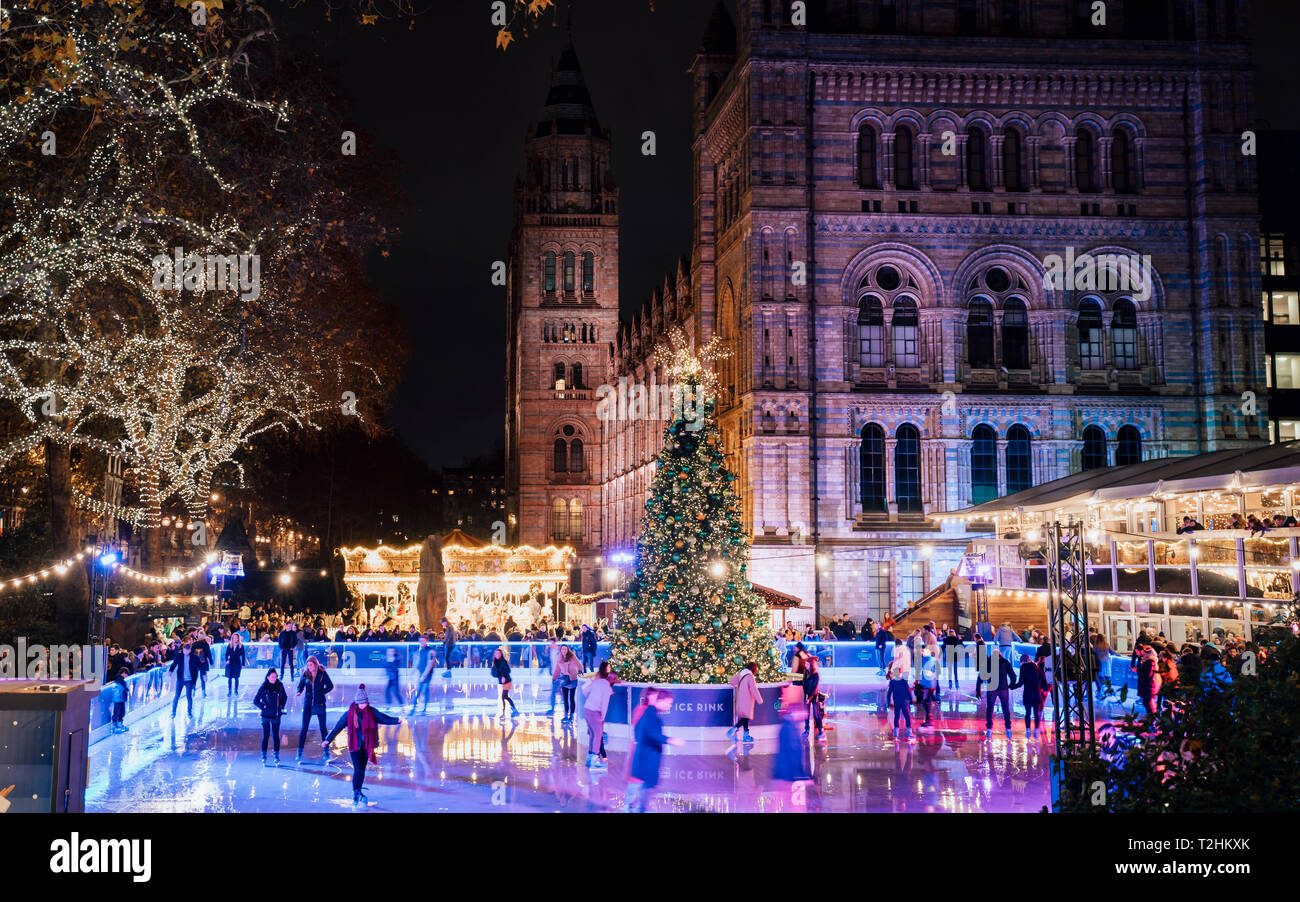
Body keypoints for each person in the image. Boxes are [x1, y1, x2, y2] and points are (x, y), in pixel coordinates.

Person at [323, 684, 401, 805]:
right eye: (362, 703)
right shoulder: (349, 714)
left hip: (366, 746)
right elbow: (338, 727)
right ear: (357, 702)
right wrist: (328, 739)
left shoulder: (371, 711)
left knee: (362, 770)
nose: (364, 705)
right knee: (358, 769)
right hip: (355, 746)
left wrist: (396, 720)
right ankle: (356, 792)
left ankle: (357, 791)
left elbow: (383, 718)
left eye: (365, 702)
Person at [625, 688, 684, 813]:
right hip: (646, 758)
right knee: (639, 785)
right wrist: (670, 740)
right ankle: (634, 808)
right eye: (669, 703)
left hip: (646, 757)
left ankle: (639, 808)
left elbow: (641, 731)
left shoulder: (650, 713)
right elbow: (652, 733)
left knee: (643, 786)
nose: (670, 706)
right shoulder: (649, 713)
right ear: (661, 700)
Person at [295, 655, 334, 762]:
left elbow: (330, 686)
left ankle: (326, 751)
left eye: (311, 664)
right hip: (307, 705)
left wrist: (322, 692)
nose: (309, 667)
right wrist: (299, 691)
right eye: (308, 665)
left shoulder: (322, 673)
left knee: (323, 729)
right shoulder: (305, 673)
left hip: (320, 704)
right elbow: (300, 685)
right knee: (304, 729)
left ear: (315, 664)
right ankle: (299, 752)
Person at [581, 661, 615, 768]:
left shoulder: (597, 682)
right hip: (595, 712)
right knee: (597, 736)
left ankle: (590, 758)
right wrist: (602, 718)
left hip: (587, 709)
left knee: (592, 734)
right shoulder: (606, 686)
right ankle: (594, 760)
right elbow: (605, 704)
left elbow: (585, 691)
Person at [981, 646, 1018, 738]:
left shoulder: (988, 663)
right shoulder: (1005, 662)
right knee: (1005, 708)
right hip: (1002, 688)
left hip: (994, 688)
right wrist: (1011, 684)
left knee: (991, 708)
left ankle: (990, 728)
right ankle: (1007, 728)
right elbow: (1013, 675)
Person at [253, 668, 288, 765]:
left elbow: (285, 697)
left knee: (276, 736)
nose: (274, 678)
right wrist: (262, 706)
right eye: (272, 677)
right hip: (265, 715)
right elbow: (255, 700)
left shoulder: (279, 686)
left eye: (276, 677)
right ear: (268, 677)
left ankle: (276, 756)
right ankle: (264, 756)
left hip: (276, 715)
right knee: (266, 736)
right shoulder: (264, 687)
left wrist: (281, 706)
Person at [726, 662, 763, 744]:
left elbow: (732, 681)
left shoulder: (741, 674)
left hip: (740, 698)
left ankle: (746, 736)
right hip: (747, 699)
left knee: (745, 717)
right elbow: (754, 689)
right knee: (746, 717)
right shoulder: (750, 677)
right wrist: (759, 700)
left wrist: (738, 687)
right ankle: (732, 730)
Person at [1014, 653, 1048, 738]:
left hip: (1028, 693)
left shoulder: (1023, 667)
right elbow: (1043, 678)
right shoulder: (1036, 667)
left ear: (1022, 661)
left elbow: (1021, 681)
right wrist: (1045, 689)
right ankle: (1036, 730)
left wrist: (1012, 686)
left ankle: (1028, 731)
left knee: (1028, 713)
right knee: (1036, 713)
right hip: (1037, 693)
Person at [886, 644, 913, 738]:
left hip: (897, 701)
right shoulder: (903, 681)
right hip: (904, 701)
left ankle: (896, 732)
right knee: (907, 716)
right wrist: (911, 700)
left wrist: (888, 702)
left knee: (897, 716)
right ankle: (909, 731)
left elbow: (889, 693)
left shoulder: (893, 682)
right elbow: (908, 691)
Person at [169, 641, 199, 718]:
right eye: (184, 650)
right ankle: (173, 712)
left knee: (189, 697)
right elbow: (174, 664)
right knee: (176, 696)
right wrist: (170, 670)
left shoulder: (194, 657)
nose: (185, 652)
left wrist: (203, 674)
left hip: (189, 680)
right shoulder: (179, 656)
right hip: (180, 680)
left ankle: (189, 712)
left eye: (187, 650)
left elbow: (198, 667)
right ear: (183, 650)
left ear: (190, 650)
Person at [553, 644, 581, 723]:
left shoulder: (572, 656)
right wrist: (554, 678)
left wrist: (580, 673)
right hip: (564, 680)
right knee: (565, 699)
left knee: (571, 698)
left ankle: (571, 716)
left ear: (568, 650)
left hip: (572, 679)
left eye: (565, 649)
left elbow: (579, 665)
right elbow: (557, 668)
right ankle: (565, 715)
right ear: (560, 650)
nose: (564, 651)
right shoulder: (559, 657)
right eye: (562, 649)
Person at [489, 647, 520, 718]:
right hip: (502, 682)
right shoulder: (495, 662)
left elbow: (508, 670)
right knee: (503, 697)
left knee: (504, 696)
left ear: (501, 654)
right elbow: (493, 673)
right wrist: (499, 676)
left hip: (507, 681)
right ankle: (504, 711)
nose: (497, 655)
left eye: (499, 653)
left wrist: (503, 676)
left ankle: (513, 709)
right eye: (496, 653)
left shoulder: (503, 661)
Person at [917, 647, 938, 728]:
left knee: (925, 701)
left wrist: (920, 682)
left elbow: (924, 672)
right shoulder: (933, 660)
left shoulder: (924, 660)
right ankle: (928, 719)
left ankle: (928, 720)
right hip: (931, 683)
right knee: (926, 701)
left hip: (926, 684)